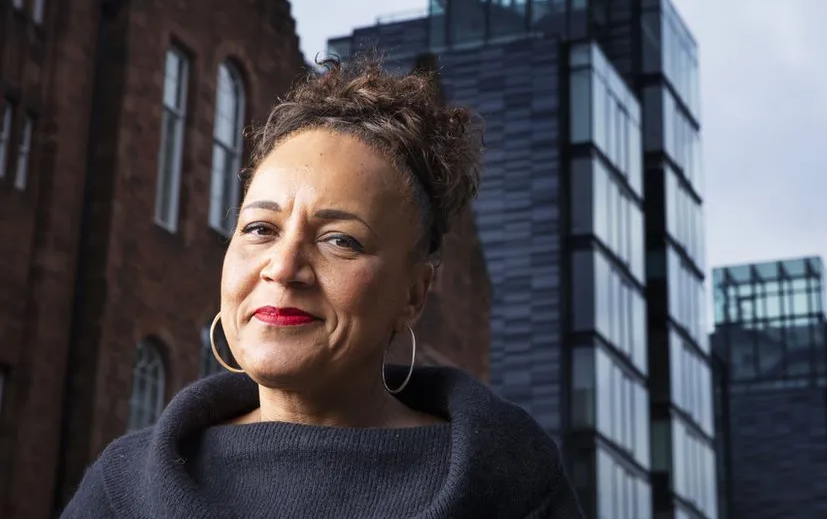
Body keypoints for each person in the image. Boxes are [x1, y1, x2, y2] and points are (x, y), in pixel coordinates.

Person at [60, 52, 584, 518]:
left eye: (340, 240)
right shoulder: (121, 491)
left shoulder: (513, 487)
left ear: (413, 294)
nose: (283, 267)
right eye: (260, 229)